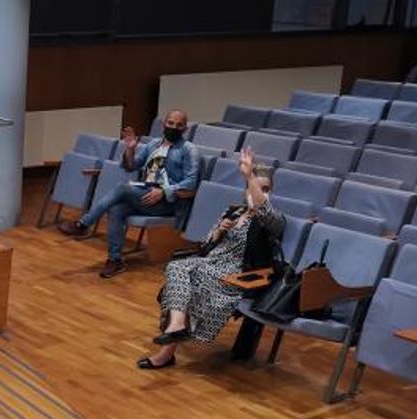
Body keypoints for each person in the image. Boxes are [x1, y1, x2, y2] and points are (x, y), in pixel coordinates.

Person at [139, 148, 283, 369]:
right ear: (246, 191)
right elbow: (206, 245)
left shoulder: (274, 220)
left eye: (265, 189)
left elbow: (263, 208)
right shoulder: (233, 212)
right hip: (210, 263)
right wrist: (219, 232)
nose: (260, 193)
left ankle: (167, 351)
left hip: (239, 274)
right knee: (178, 268)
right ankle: (176, 326)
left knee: (187, 280)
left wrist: (250, 175)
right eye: (256, 188)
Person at [58, 109, 199, 278]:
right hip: (145, 194)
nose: (174, 127)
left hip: (168, 202)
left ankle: (83, 224)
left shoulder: (189, 150)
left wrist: (164, 191)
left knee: (123, 188)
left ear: (185, 129)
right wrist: (130, 149)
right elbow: (130, 166)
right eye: (170, 123)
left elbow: (190, 184)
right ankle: (115, 260)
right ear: (163, 125)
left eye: (179, 125)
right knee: (116, 209)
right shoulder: (153, 145)